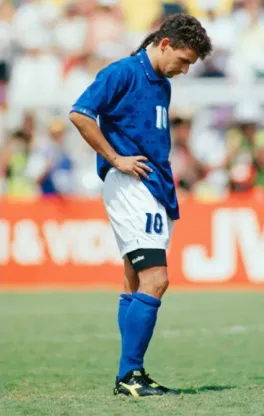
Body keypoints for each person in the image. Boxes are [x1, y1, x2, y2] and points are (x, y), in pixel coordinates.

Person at [68, 14, 212, 397]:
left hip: (154, 187)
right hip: (132, 185)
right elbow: (80, 113)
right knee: (157, 279)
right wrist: (115, 158)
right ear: (165, 43)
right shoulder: (124, 72)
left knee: (134, 277)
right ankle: (129, 374)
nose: (183, 70)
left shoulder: (160, 83)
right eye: (183, 60)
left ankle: (131, 374)